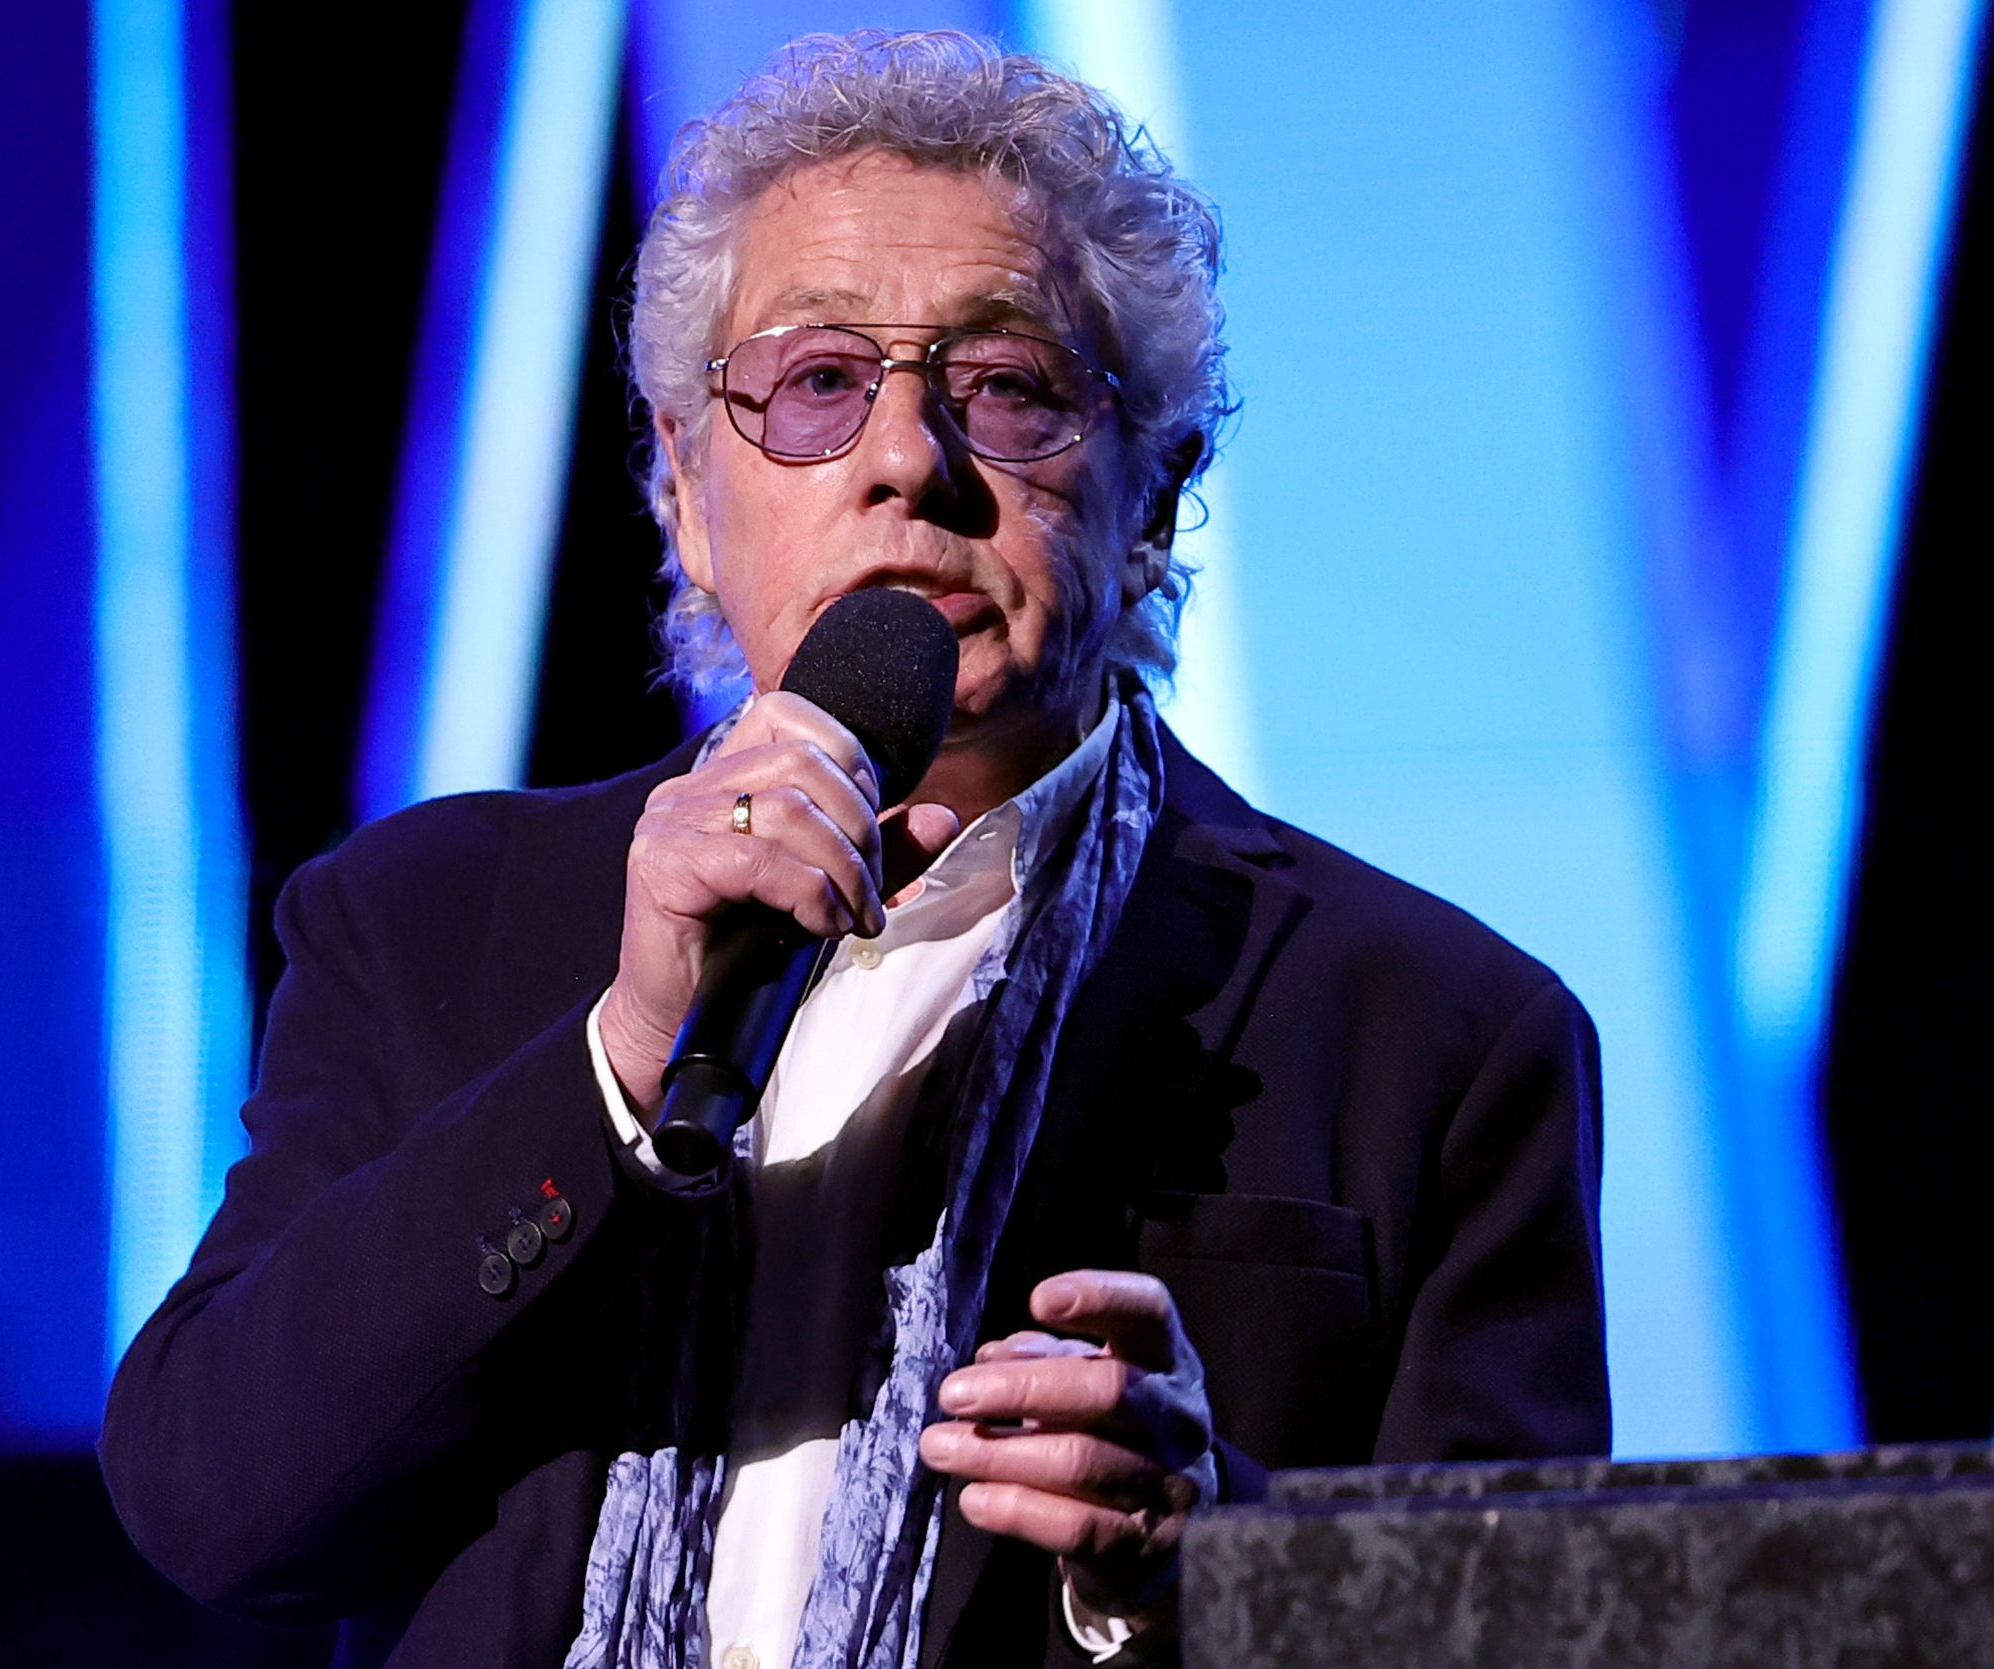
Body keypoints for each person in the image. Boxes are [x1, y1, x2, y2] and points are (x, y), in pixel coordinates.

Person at [101, 29, 1609, 1669]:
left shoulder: (1440, 1036)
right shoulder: (425, 924)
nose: (909, 462)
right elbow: (216, 1502)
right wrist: (617, 1060)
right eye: (818, 383)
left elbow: (1523, 1626)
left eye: (1010, 389)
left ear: (1154, 496)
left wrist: (1213, 1557)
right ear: (687, 484)